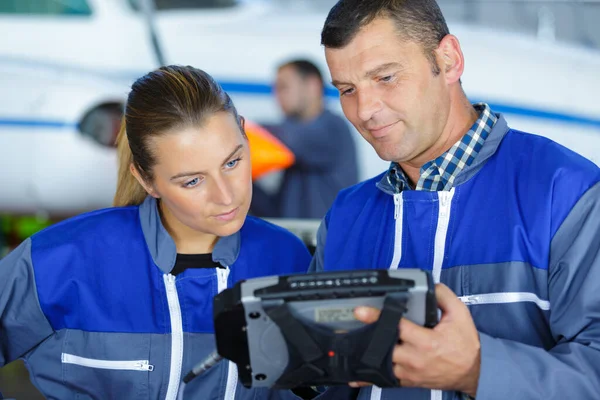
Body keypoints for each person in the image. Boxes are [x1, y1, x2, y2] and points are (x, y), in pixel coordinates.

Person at [310, 1, 600, 399]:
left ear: (448, 60)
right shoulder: (344, 217)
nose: (365, 110)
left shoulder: (568, 193)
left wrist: (477, 370)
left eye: (386, 77)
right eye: (347, 90)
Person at [0, 65, 317, 400]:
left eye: (232, 163)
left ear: (244, 134)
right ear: (146, 179)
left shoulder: (286, 257)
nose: (226, 195)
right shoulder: (58, 261)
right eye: (192, 181)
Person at [251, 59, 359, 219]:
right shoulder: (289, 138)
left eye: (284, 87)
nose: (277, 95)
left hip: (324, 241)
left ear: (312, 85)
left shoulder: (332, 128)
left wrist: (239, 129)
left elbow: (290, 138)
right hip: (297, 238)